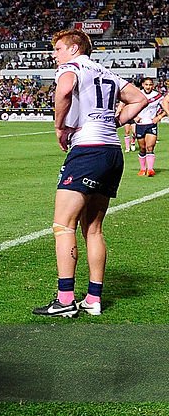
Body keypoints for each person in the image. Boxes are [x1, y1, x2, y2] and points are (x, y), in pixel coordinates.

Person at [32, 29, 146, 318]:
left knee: (63, 226)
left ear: (72, 48)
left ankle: (65, 300)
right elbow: (140, 99)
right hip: (112, 151)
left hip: (88, 149)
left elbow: (65, 89)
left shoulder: (70, 67)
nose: (54, 55)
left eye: (57, 49)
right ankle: (93, 299)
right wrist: (112, 122)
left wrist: (60, 127)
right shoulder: (106, 72)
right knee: (93, 229)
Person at [133, 77, 166, 176]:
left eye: (150, 84)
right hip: (140, 124)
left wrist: (159, 116)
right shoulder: (137, 94)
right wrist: (134, 116)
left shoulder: (158, 96)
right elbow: (128, 105)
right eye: (146, 84)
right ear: (143, 85)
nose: (148, 87)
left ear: (153, 85)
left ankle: (150, 169)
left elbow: (166, 106)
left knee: (150, 147)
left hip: (151, 124)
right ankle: (143, 169)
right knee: (142, 148)